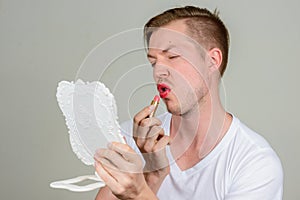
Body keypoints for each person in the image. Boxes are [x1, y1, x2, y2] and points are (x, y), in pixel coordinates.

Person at [94, 6, 283, 200]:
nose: (158, 71)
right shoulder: (134, 139)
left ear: (212, 60)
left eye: (173, 57)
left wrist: (140, 194)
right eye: (153, 62)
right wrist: (152, 176)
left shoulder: (255, 163)